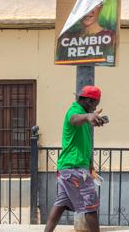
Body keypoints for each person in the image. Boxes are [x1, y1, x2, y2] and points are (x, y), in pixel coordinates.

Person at [44, 85, 108, 232]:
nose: (95, 108)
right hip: (74, 169)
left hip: (70, 168)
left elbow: (82, 143)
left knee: (61, 204)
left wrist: (90, 165)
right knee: (90, 205)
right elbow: (74, 119)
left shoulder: (84, 115)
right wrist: (87, 116)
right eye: (95, 104)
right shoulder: (75, 111)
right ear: (87, 101)